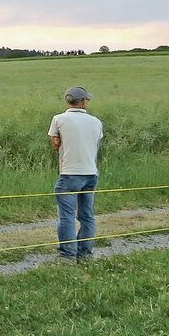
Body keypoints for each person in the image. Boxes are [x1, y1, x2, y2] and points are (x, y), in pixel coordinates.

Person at [50, 86, 103, 261]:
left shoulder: (58, 119)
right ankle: (85, 253)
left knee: (67, 216)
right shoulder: (96, 122)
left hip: (69, 173)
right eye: (87, 99)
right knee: (87, 216)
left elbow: (56, 143)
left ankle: (67, 255)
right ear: (83, 101)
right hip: (91, 172)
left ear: (68, 101)